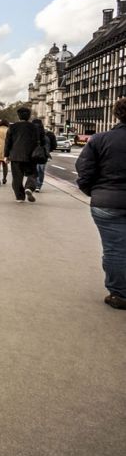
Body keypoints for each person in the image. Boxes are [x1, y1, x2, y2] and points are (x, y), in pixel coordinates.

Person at [75, 97, 126, 310]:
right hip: (109, 199)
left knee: (115, 249)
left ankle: (120, 294)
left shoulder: (100, 139)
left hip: (108, 201)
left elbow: (84, 170)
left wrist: (94, 191)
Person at [5, 107, 47, 202]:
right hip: (31, 155)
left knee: (17, 177)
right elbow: (42, 141)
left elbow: (8, 142)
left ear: (18, 116)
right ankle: (29, 187)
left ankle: (20, 197)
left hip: (15, 155)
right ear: (29, 116)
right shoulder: (34, 127)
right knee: (32, 174)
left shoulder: (12, 127)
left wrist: (6, 155)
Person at [33, 118, 56, 192]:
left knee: (34, 169)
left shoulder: (31, 133)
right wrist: (48, 152)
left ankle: (34, 183)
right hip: (43, 155)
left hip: (33, 154)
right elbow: (53, 145)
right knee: (41, 170)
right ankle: (38, 185)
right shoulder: (47, 134)